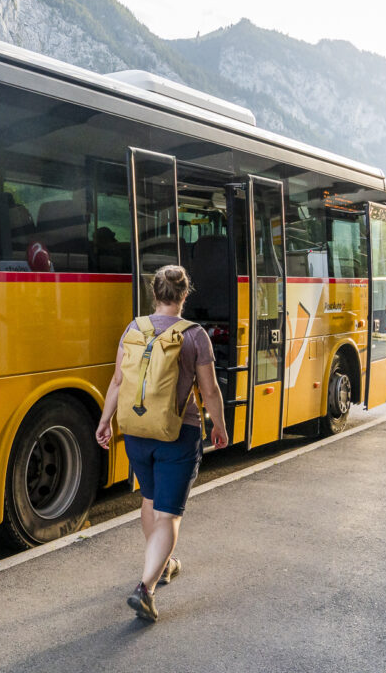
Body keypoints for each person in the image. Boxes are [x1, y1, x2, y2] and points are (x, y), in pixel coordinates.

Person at [96, 264, 229, 622]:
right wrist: (219, 425)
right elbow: (210, 389)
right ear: (184, 295)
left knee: (150, 500)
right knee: (169, 514)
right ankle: (146, 588)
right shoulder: (195, 335)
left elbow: (117, 382)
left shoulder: (133, 329)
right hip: (177, 434)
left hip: (137, 433)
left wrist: (105, 421)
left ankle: (162, 564)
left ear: (154, 293)